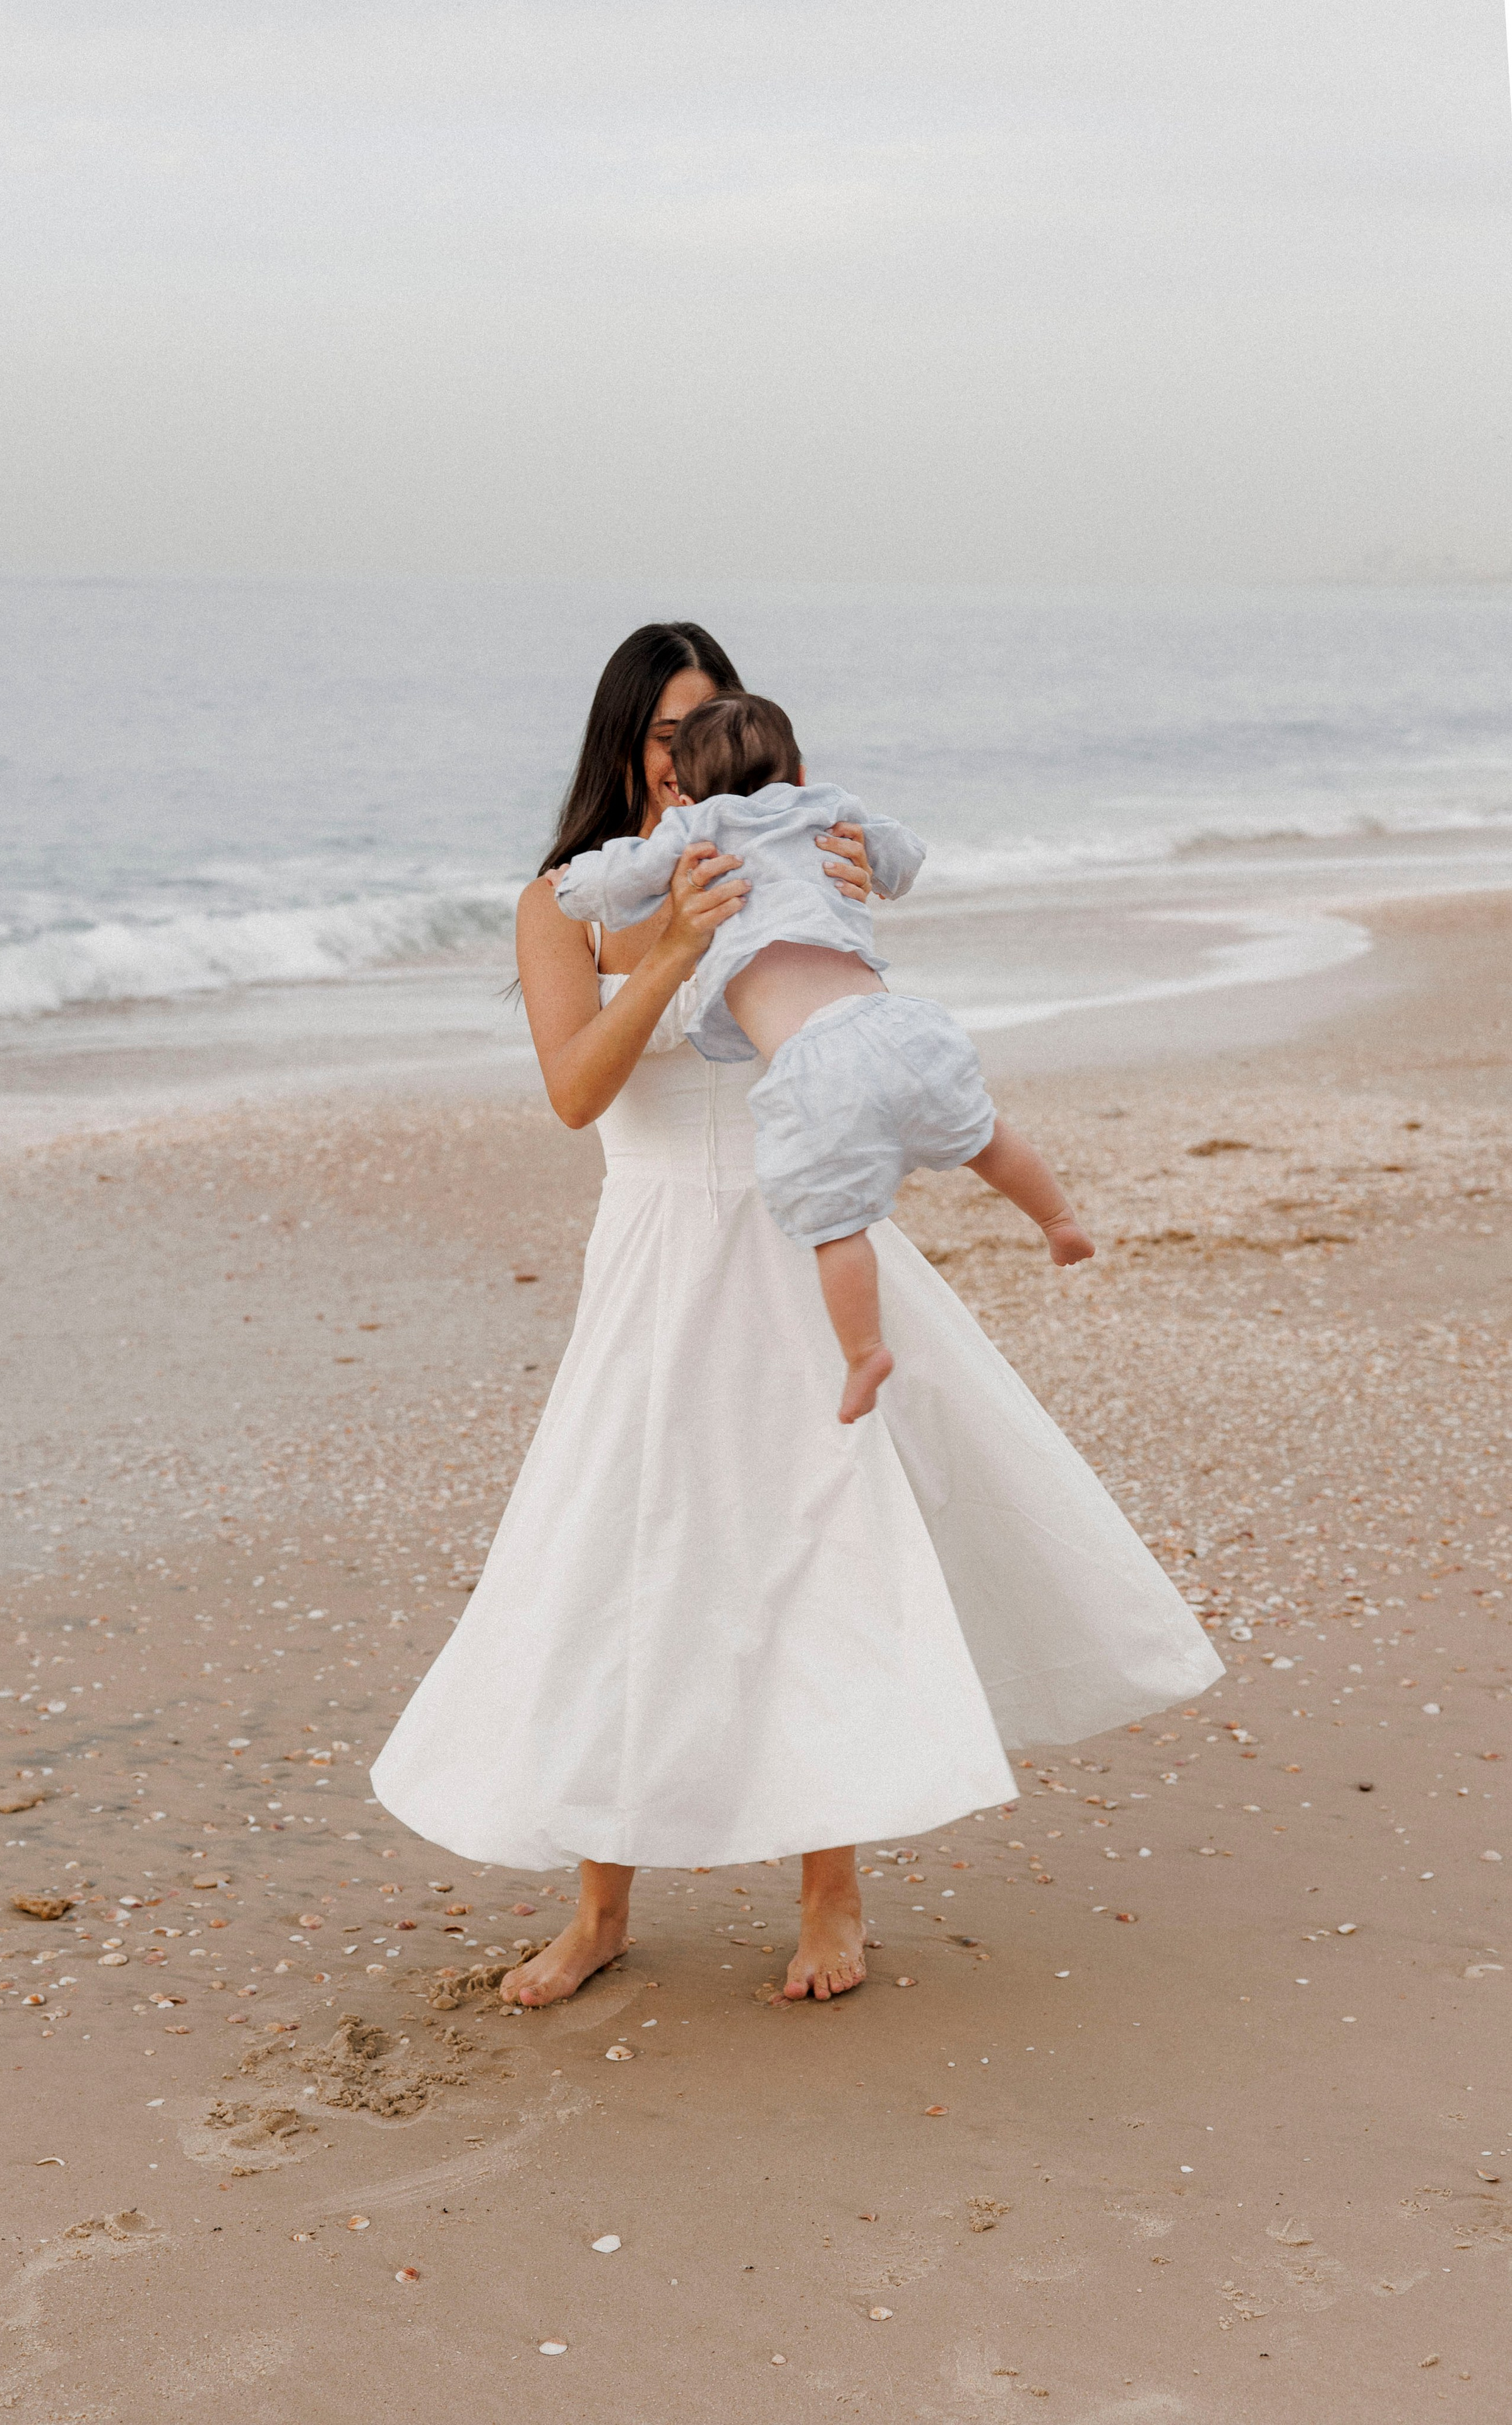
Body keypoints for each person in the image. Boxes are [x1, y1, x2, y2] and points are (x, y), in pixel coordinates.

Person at [370, 620, 1222, 2009]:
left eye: (707, 726)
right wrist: (670, 948)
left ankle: (832, 1892)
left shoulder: (786, 849)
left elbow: (848, 1010)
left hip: (797, 1239)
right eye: (664, 733)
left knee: (821, 1550)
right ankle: (600, 1906)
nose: (686, 756)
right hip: (654, 1258)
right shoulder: (565, 902)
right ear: (624, 745)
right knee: (617, 1565)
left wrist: (841, 885)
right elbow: (575, 1091)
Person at [554, 691, 1093, 1421]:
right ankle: (1058, 1221)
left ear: (685, 788)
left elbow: (616, 879)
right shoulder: (828, 808)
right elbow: (904, 857)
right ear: (799, 770)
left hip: (813, 1064)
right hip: (896, 1022)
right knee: (984, 1136)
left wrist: (571, 885)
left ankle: (863, 1350)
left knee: (837, 1221)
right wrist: (874, 864)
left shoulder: (697, 829)